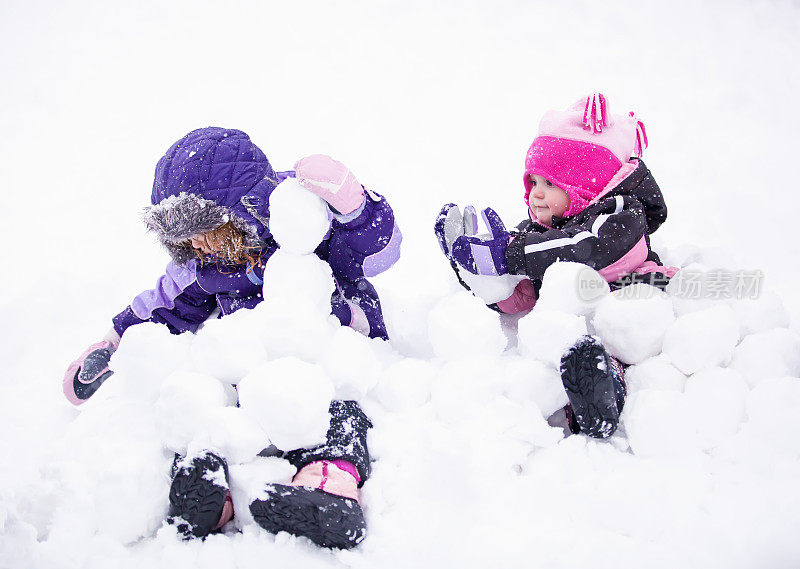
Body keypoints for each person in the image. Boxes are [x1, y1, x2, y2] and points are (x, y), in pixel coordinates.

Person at [62, 127, 400, 548]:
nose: (197, 246)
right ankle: (208, 488)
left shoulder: (303, 222)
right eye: (184, 239)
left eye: (205, 229)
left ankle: (330, 487)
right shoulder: (207, 267)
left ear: (241, 211)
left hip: (334, 347)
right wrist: (114, 344)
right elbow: (165, 305)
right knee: (209, 400)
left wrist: (354, 209)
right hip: (255, 366)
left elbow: (377, 255)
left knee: (337, 407)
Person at [435, 93, 677, 438]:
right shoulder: (539, 235)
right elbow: (521, 295)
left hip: (633, 294)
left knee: (619, 335)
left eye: (550, 183)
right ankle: (587, 402)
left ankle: (606, 389)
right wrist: (482, 276)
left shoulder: (622, 213)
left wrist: (507, 253)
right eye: (533, 181)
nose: (535, 193)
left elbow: (583, 247)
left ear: (586, 184)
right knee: (570, 346)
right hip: (581, 316)